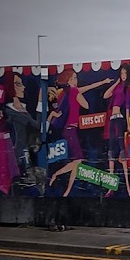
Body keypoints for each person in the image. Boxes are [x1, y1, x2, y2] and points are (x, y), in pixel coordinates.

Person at [47, 68, 111, 196]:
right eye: (75, 78)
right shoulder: (74, 91)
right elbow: (86, 105)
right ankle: (57, 175)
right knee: (78, 160)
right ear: (69, 80)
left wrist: (103, 81)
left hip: (70, 130)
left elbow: (89, 86)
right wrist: (80, 94)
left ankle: (67, 192)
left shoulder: (69, 92)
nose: (77, 80)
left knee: (77, 162)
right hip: (70, 130)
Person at [102, 65, 130, 196]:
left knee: (122, 151)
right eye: (121, 73)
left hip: (120, 119)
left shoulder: (127, 89)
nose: (123, 75)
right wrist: (116, 82)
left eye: (125, 73)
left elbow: (127, 108)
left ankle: (128, 188)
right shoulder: (117, 87)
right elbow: (105, 95)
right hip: (112, 119)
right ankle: (110, 187)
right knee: (111, 151)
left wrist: (129, 124)